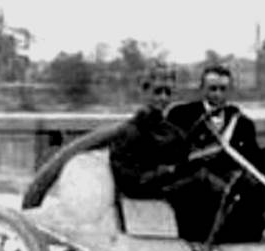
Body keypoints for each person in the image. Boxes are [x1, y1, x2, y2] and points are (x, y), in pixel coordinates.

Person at [164, 65, 265, 244]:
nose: (217, 94)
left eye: (222, 89)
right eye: (212, 89)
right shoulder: (182, 115)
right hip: (199, 175)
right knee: (246, 184)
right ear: (202, 89)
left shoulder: (241, 122)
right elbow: (171, 150)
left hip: (233, 172)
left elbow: (251, 156)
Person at [21, 63, 182, 209]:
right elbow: (129, 181)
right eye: (157, 92)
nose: (163, 98)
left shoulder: (172, 132)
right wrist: (165, 173)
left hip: (165, 193)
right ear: (145, 92)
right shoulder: (129, 132)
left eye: (168, 92)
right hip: (144, 199)